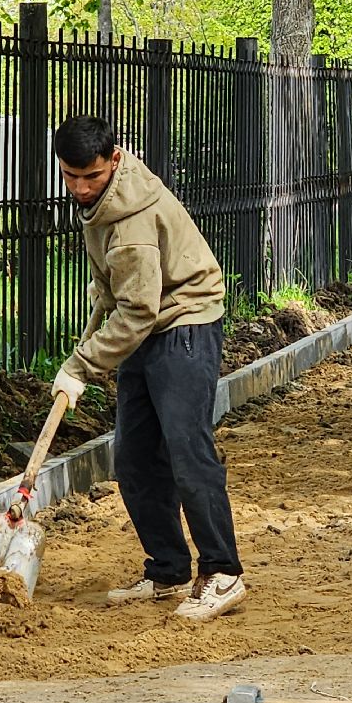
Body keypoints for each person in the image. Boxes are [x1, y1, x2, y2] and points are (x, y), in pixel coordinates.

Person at [49, 114, 247, 623]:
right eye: (70, 176)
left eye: (90, 176)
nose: (79, 187)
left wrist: (83, 363)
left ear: (113, 159)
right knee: (135, 458)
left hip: (184, 324)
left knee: (187, 452)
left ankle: (224, 572)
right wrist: (86, 348)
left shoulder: (131, 220)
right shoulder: (104, 199)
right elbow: (115, 292)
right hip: (146, 325)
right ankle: (168, 570)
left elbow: (138, 307)